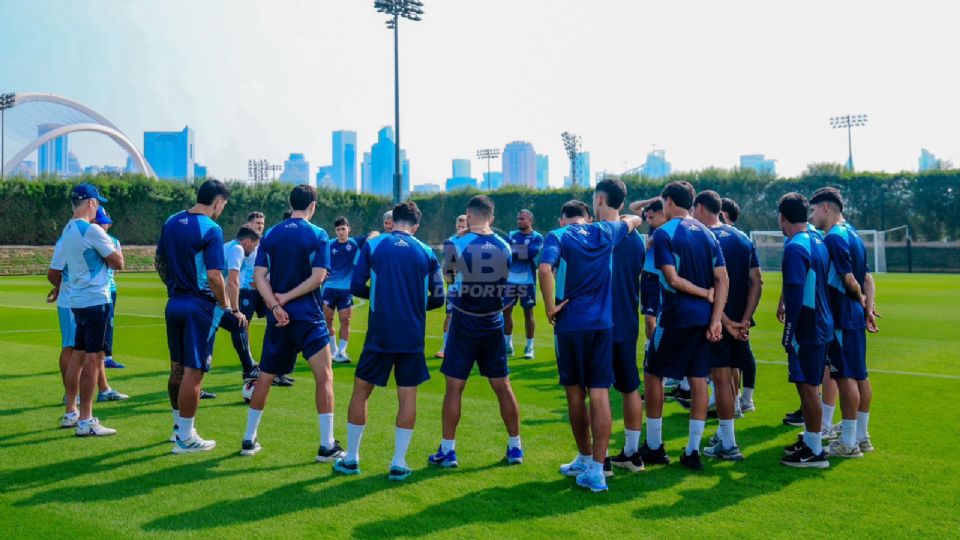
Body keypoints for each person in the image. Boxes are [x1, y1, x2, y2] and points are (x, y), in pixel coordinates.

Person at [335, 201, 445, 481]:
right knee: (407, 396)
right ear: (416, 226)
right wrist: (413, 305)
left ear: (392, 220)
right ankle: (398, 461)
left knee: (361, 392)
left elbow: (356, 285)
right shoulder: (427, 251)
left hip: (380, 333)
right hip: (412, 335)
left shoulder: (374, 245)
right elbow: (439, 298)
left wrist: (381, 296)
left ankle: (351, 458)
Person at [539, 197, 643, 493]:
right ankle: (597, 470)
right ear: (587, 217)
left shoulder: (558, 235)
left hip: (571, 324)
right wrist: (630, 218)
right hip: (602, 324)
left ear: (563, 219)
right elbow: (633, 220)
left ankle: (585, 457)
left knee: (575, 394)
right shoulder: (605, 230)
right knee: (600, 394)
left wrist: (549, 307)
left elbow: (545, 269)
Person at [241, 184, 342, 461]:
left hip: (278, 318)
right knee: (324, 377)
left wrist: (275, 304)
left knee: (265, 376)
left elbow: (259, 276)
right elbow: (318, 277)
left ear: (291, 203)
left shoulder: (272, 233)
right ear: (313, 206)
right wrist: (286, 298)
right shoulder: (318, 234)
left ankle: (248, 440)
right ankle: (326, 445)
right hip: (308, 316)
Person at [641, 181, 729, 473]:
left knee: (653, 373)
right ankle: (692, 451)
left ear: (668, 202)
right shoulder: (707, 232)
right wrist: (715, 319)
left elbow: (672, 279)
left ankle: (655, 446)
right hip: (704, 319)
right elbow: (723, 279)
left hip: (675, 315)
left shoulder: (664, 233)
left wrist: (703, 294)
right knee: (698, 379)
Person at [429, 196, 523, 468]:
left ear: (469, 214)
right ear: (492, 217)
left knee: (454, 386)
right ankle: (515, 447)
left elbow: (449, 277)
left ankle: (448, 451)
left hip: (464, 321)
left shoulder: (456, 243)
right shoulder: (505, 245)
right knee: (502, 386)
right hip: (492, 321)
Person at [155, 179, 230, 453]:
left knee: (176, 369)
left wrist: (173, 288)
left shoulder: (171, 221)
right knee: (193, 372)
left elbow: (159, 262)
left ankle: (178, 428)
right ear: (218, 202)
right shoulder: (211, 228)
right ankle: (186, 438)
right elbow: (214, 276)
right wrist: (226, 304)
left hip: (174, 302)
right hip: (199, 306)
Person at [692, 190, 761, 461]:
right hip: (739, 321)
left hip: (717, 322)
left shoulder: (703, 238)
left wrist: (726, 321)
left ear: (700, 208)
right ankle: (724, 435)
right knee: (731, 376)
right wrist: (745, 319)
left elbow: (709, 288)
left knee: (720, 379)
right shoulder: (742, 237)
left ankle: (729, 444)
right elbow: (757, 281)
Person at [810, 187, 875, 457]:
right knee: (860, 374)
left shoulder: (834, 237)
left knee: (845, 376)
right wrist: (867, 308)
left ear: (826, 207)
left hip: (841, 317)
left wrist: (860, 300)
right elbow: (867, 278)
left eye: (814, 210)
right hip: (853, 316)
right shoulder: (853, 234)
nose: (812, 216)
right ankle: (861, 436)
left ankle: (848, 442)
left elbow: (849, 279)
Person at [59, 183, 125, 436]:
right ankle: (86, 419)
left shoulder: (68, 228)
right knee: (94, 358)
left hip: (78, 299)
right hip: (95, 299)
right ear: (90, 203)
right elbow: (118, 262)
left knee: (78, 354)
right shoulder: (91, 230)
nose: (97, 207)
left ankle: (71, 411)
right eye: (97, 202)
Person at [778, 192, 834, 469]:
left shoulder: (795, 247)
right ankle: (811, 440)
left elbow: (796, 295)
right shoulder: (817, 240)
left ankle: (815, 451)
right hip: (821, 323)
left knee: (809, 387)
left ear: (782, 218)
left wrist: (789, 332)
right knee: (809, 385)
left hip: (807, 327)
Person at [595, 178, 647, 474]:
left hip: (598, 322)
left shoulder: (595, 234)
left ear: (599, 199)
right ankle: (632, 453)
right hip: (627, 320)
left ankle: (601, 460)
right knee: (630, 387)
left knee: (598, 391)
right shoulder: (636, 239)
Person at [324, 216, 378, 363]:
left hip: (346, 290)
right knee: (327, 320)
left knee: (345, 320)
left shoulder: (355, 242)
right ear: (335, 231)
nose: (341, 232)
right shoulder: (329, 244)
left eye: (343, 229)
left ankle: (342, 351)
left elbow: (375, 233)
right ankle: (333, 350)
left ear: (349, 229)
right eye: (338, 229)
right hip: (329, 288)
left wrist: (368, 240)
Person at [222, 225, 261, 381]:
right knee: (238, 323)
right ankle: (249, 369)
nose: (254, 250)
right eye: (254, 246)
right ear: (247, 242)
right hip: (207, 301)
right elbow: (233, 281)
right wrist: (235, 310)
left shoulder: (227, 245)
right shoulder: (237, 249)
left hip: (208, 298)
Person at [503, 209, 544, 359]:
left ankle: (529, 347)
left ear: (530, 220)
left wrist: (514, 251)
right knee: (506, 311)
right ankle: (508, 345)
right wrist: (521, 251)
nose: (519, 221)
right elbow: (505, 253)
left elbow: (531, 253)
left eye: (522, 219)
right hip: (510, 280)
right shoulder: (511, 234)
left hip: (527, 281)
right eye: (518, 219)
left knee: (528, 313)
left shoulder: (537, 237)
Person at [94, 207, 125, 370]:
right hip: (98, 290)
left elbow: (118, 266)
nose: (102, 226)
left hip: (110, 288)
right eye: (99, 223)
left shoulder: (114, 241)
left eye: (104, 223)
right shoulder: (91, 239)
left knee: (109, 322)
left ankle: (107, 356)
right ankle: (98, 357)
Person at [436, 215, 468, 359]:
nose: (460, 229)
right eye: (459, 226)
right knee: (449, 315)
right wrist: (449, 277)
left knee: (470, 316)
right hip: (454, 287)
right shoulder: (450, 241)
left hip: (471, 287)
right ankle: (445, 347)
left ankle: (469, 348)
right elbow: (447, 266)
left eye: (463, 226)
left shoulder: (473, 241)